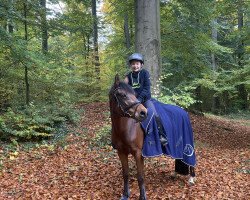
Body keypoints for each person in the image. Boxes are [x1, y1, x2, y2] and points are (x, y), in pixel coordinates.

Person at [124, 53, 168, 146]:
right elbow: (126, 89)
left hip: (145, 100)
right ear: (130, 65)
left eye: (137, 64)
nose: (135, 66)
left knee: (154, 113)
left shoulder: (145, 73)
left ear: (141, 65)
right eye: (133, 64)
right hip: (133, 102)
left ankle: (161, 136)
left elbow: (146, 89)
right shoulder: (128, 76)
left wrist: (139, 99)